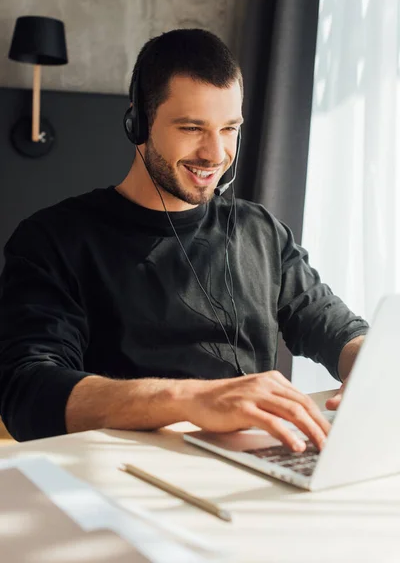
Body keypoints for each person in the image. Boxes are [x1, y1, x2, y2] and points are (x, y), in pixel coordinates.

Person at [0, 29, 368, 447]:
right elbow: (27, 391)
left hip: (250, 469)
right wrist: (192, 399)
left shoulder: (261, 231)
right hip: (123, 479)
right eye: (193, 127)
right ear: (138, 122)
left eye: (230, 128)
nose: (215, 154)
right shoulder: (53, 240)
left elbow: (333, 325)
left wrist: (369, 364)